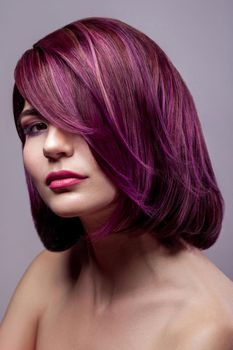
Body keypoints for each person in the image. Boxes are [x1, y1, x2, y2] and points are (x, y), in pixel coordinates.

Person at [0, 17, 233, 349]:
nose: (52, 145)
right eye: (36, 126)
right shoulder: (50, 273)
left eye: (79, 117)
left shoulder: (204, 327)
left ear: (148, 127)